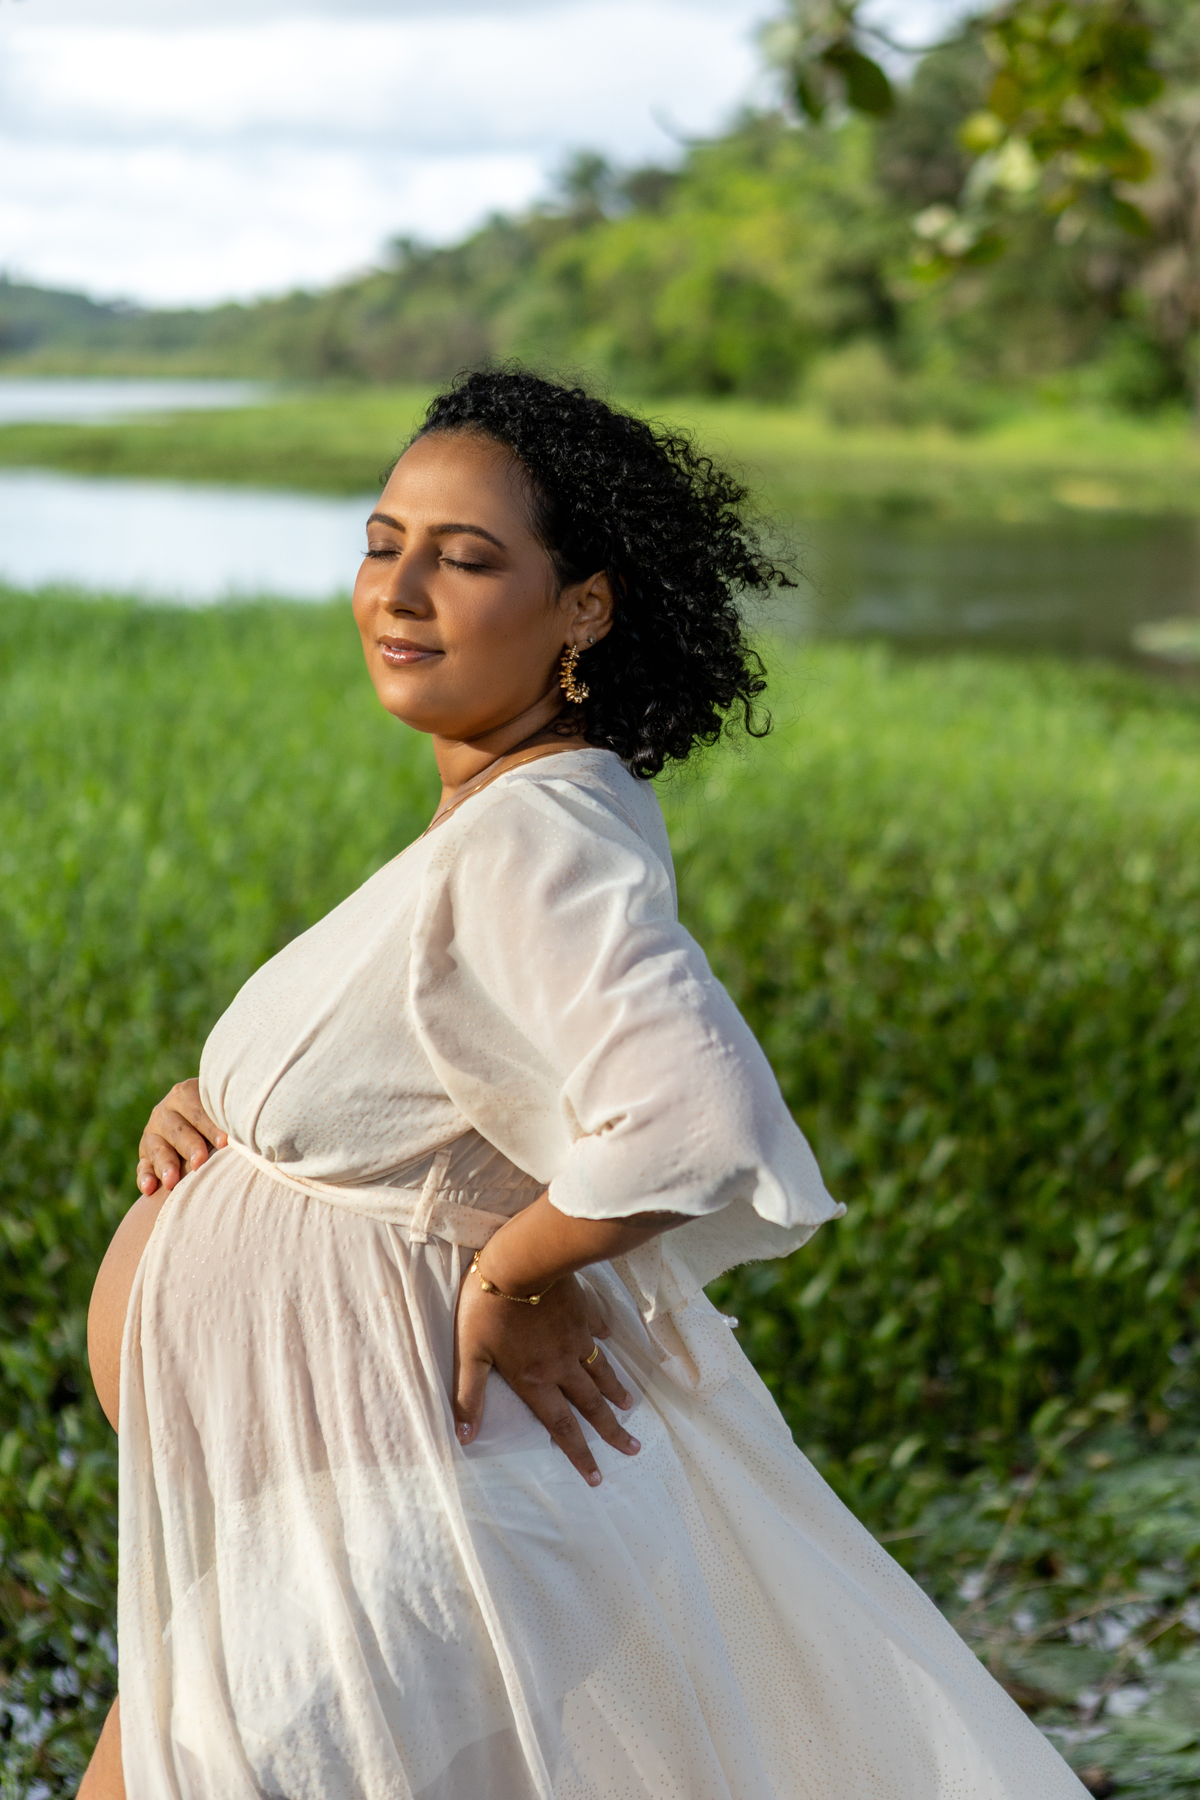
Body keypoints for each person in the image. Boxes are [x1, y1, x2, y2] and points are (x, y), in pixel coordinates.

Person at [82, 370, 1088, 1799]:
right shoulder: (513, 817)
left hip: (427, 1516)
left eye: (469, 557)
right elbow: (441, 1084)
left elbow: (690, 1115)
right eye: (384, 543)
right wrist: (225, 1109)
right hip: (347, 1511)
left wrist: (522, 1276)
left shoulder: (541, 830)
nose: (401, 589)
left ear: (586, 609)